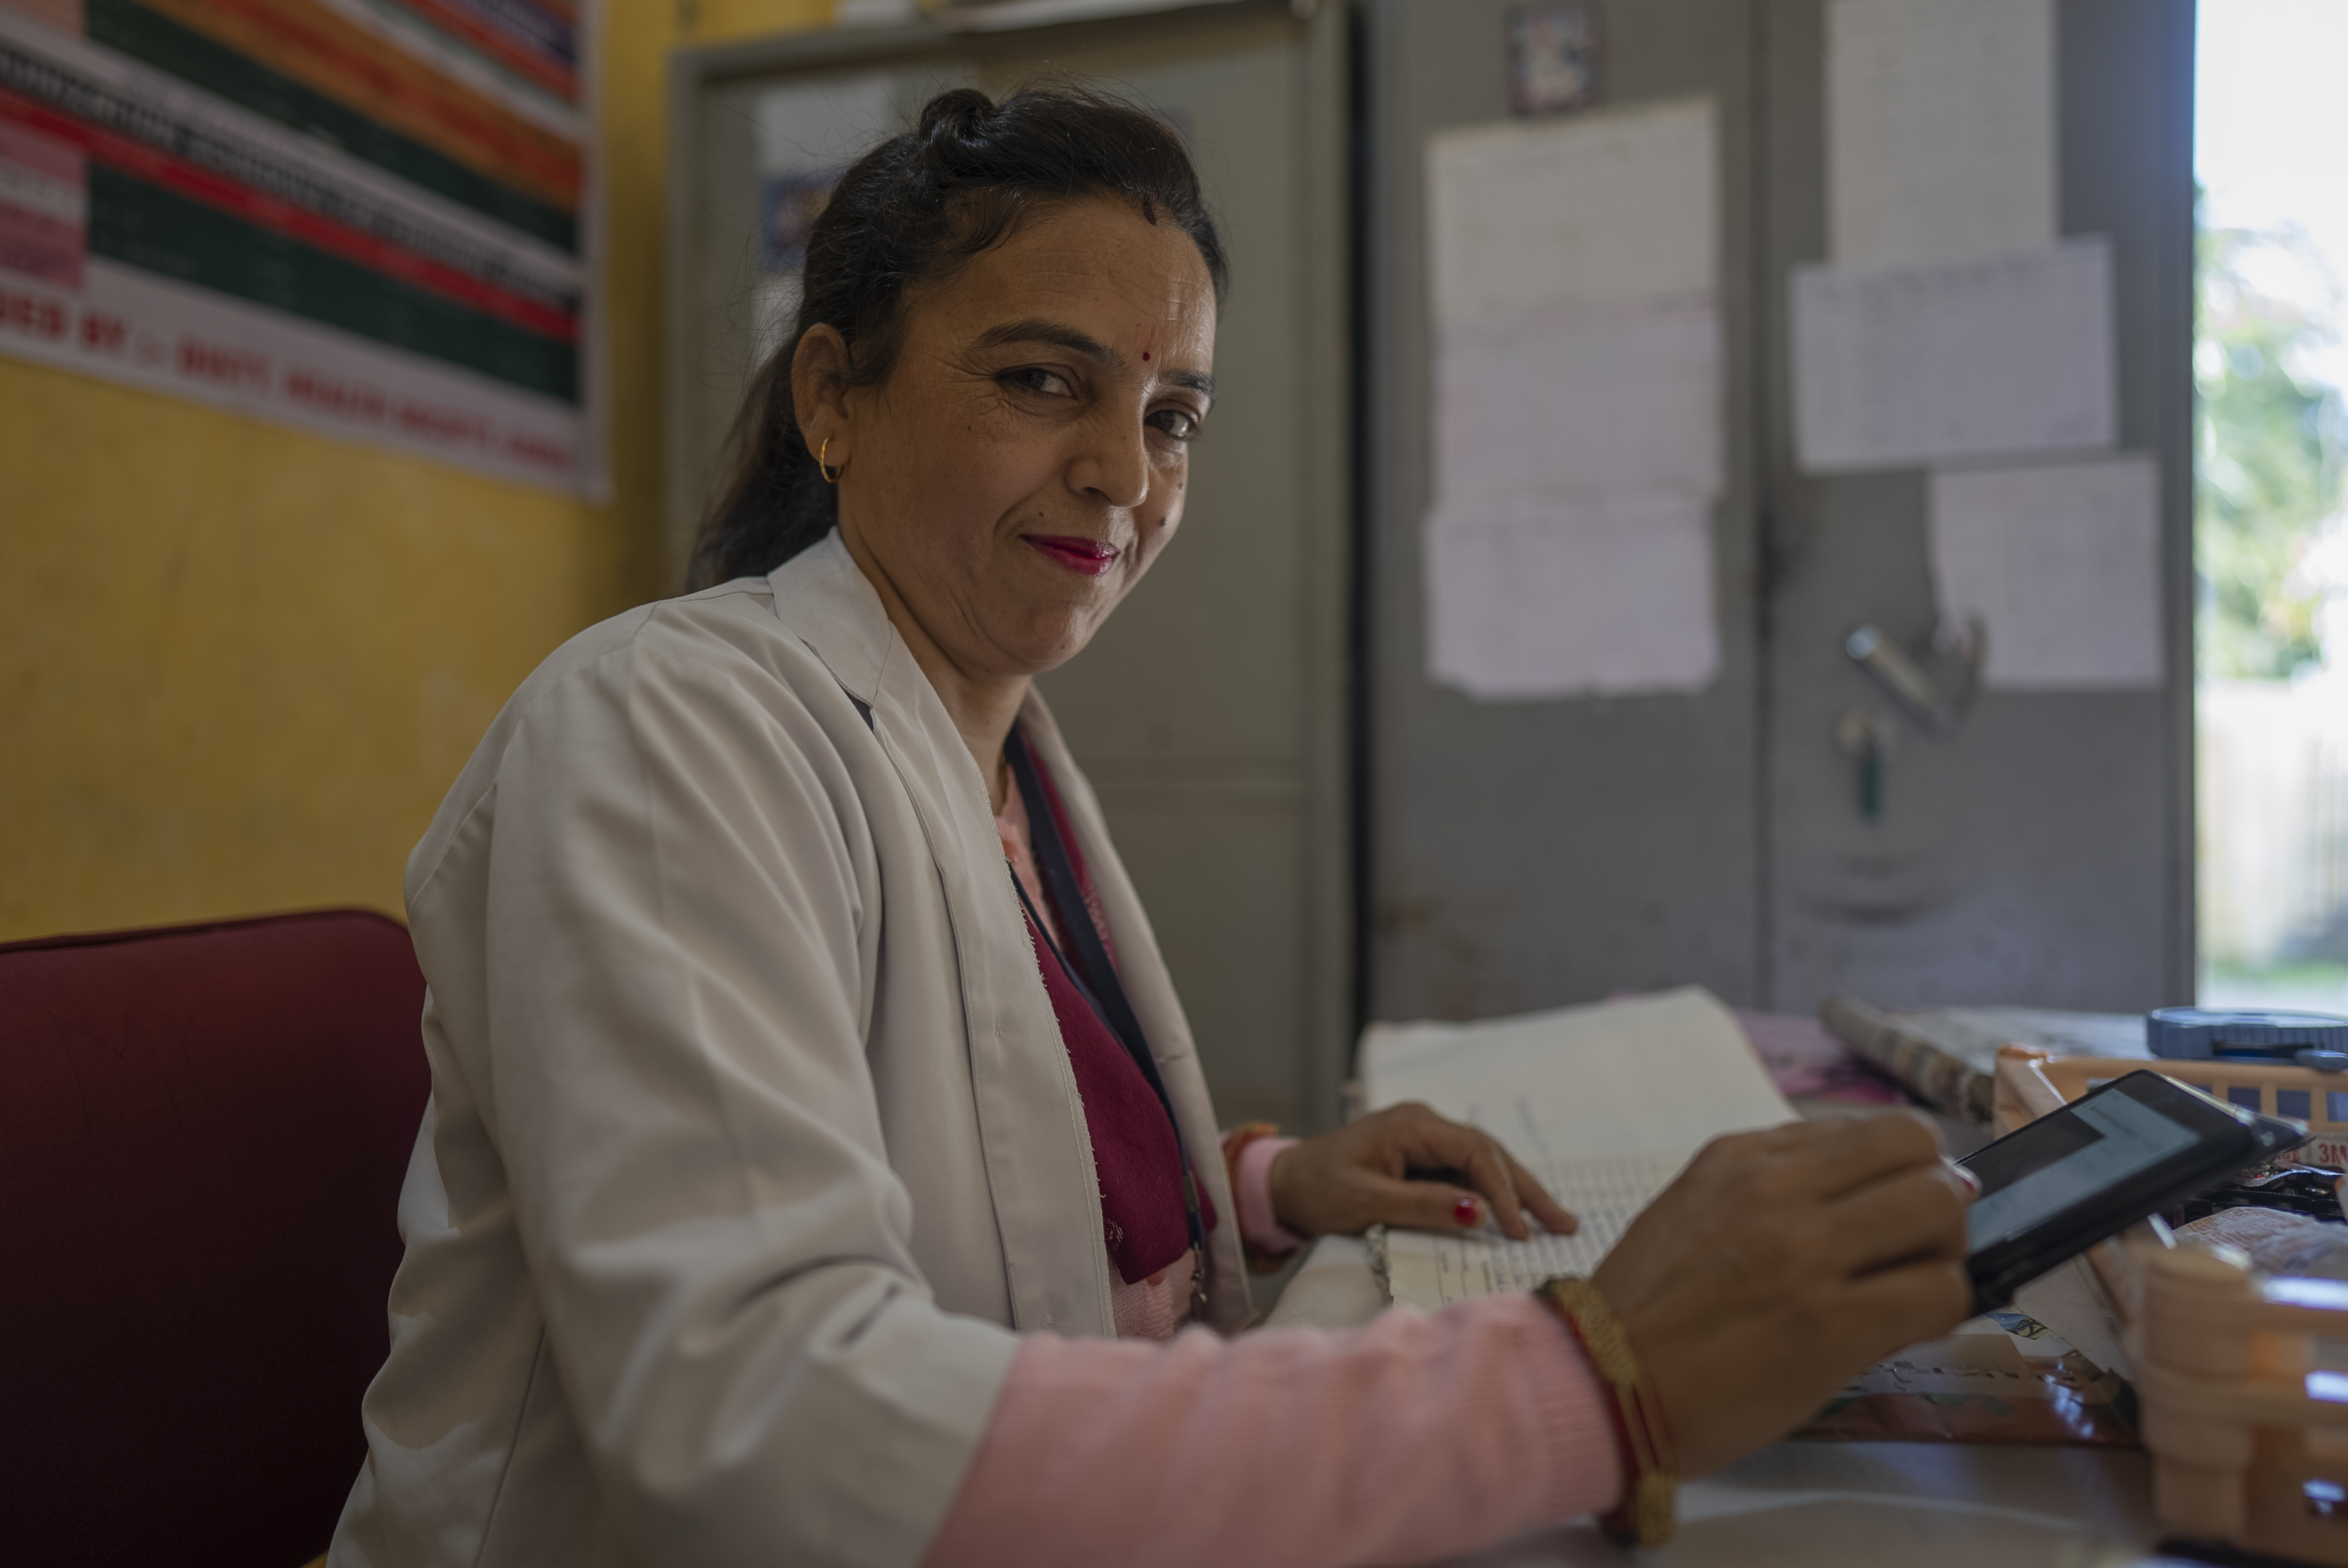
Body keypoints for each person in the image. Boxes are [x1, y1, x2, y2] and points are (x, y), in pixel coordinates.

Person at [328, 86, 1975, 1568]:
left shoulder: (1001, 747)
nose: (1122, 471)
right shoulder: (664, 732)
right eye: (1045, 381)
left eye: (1172, 413)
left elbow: (980, 1139)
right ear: (834, 397)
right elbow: (767, 1423)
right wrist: (1584, 1380)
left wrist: (1262, 1186)